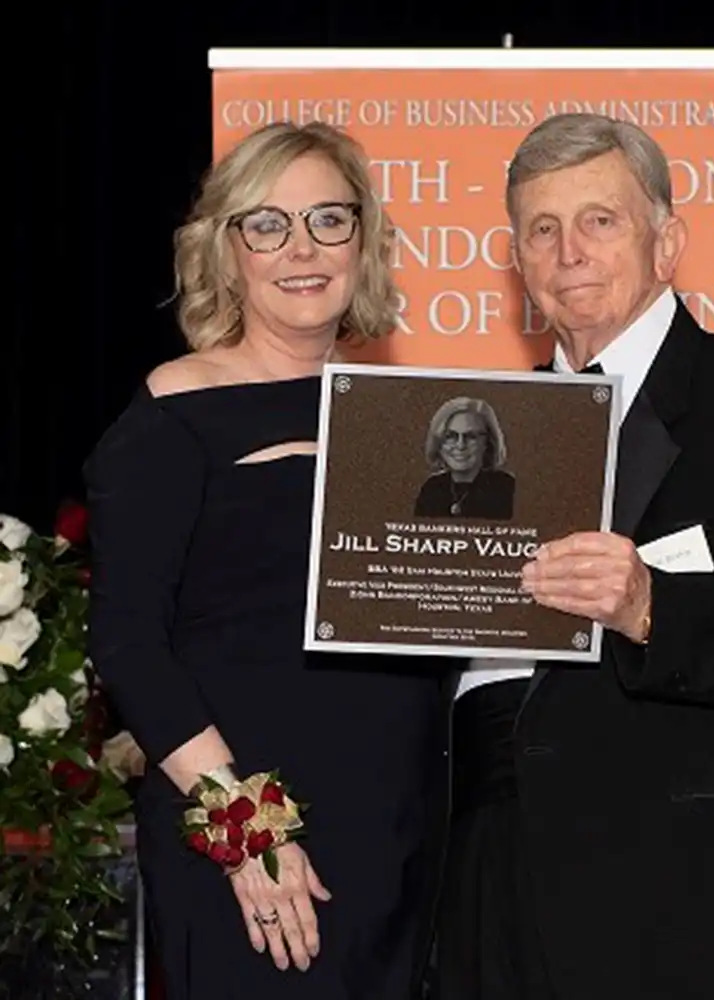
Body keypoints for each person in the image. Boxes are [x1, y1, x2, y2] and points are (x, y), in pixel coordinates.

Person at [432, 113, 714, 1000]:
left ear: (666, 242)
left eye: (601, 220)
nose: (569, 252)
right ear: (518, 261)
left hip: (689, 908)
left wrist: (650, 608)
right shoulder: (472, 430)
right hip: (496, 897)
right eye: (542, 230)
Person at [84, 122, 448, 1000]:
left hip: (401, 831)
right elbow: (130, 644)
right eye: (268, 224)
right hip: (255, 832)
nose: (302, 248)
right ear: (226, 248)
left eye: (329, 219)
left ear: (363, 242)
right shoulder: (174, 410)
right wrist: (249, 830)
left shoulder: (406, 417)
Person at [413, 397, 515, 519]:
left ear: (488, 442)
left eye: (471, 436)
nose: (460, 445)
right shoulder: (432, 489)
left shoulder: (507, 489)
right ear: (438, 442)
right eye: (450, 436)